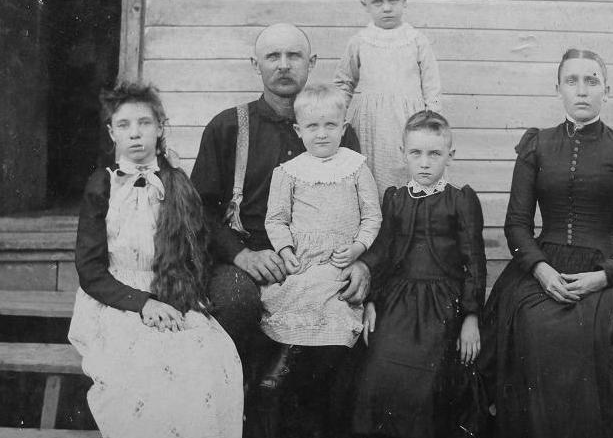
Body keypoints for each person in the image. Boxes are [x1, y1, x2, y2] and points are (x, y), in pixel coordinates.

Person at [478, 49, 613, 438]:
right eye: (572, 80)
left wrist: (602, 278)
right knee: (533, 327)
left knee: (602, 330)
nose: (582, 90)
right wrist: (540, 270)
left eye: (592, 80)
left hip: (610, 272)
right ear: (558, 88)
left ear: (607, 90)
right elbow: (517, 225)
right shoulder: (536, 146)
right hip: (544, 266)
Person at [190, 23, 371, 435]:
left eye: (294, 56)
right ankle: (241, 415)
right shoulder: (228, 127)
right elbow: (198, 209)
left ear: (312, 63)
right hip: (250, 255)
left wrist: (365, 265)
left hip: (324, 257)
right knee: (235, 301)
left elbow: (366, 209)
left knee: (344, 316)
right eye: (273, 56)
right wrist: (241, 254)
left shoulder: (341, 132)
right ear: (256, 65)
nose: (284, 65)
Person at [68, 82, 243, 438]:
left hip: (171, 292)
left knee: (209, 354)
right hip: (115, 300)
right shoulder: (101, 185)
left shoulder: (176, 183)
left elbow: (194, 253)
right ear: (111, 132)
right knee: (144, 364)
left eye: (145, 123)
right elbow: (90, 269)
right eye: (124, 125)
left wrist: (175, 300)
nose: (135, 134)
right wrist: (142, 303)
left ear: (160, 128)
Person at [352, 110, 487, 438]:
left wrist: (470, 317)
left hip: (443, 304)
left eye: (434, 154)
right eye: (416, 153)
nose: (425, 163)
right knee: (378, 372)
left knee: (426, 384)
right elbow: (382, 254)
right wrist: (370, 302)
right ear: (403, 154)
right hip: (397, 301)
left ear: (450, 156)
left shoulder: (460, 200)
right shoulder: (396, 200)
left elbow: (475, 262)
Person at [258, 83, 381, 437]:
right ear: (299, 131)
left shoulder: (356, 167)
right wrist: (284, 250)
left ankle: (306, 368)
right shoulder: (289, 171)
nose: (322, 133)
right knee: (300, 289)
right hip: (302, 260)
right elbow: (276, 219)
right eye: (312, 126)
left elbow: (372, 216)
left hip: (338, 260)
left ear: (344, 128)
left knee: (332, 300)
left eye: (330, 125)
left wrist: (358, 249)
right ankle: (287, 353)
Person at [334, 0, 442, 197]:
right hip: (371, 122)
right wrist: (336, 115)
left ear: (405, 0)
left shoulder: (416, 40)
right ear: (365, 4)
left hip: (408, 119)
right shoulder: (360, 41)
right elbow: (344, 82)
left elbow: (431, 85)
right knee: (372, 173)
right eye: (377, 2)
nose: (386, 8)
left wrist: (431, 120)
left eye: (393, 0)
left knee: (409, 169)